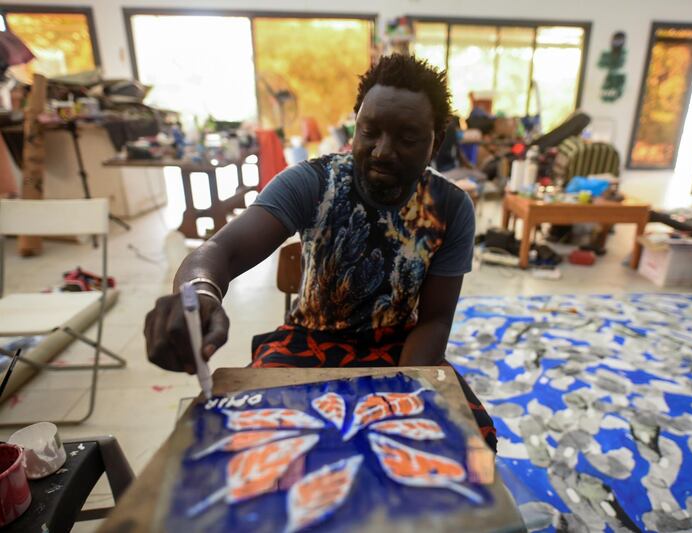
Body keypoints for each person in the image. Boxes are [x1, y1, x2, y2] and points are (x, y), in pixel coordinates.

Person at [144, 54, 497, 451]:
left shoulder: (449, 208)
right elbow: (219, 251)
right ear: (356, 126)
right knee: (239, 445)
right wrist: (200, 293)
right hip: (307, 342)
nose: (382, 151)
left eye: (408, 138)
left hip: (401, 348)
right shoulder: (313, 182)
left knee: (472, 447)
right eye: (370, 131)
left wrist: (397, 390)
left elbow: (434, 319)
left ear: (436, 141)